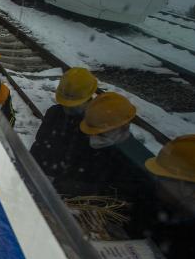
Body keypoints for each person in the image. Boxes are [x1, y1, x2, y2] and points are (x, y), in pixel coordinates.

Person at [54, 92, 155, 221]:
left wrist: (83, 189)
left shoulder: (137, 163)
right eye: (92, 133)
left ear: (123, 128)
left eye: (101, 135)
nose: (94, 139)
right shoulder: (86, 140)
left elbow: (123, 202)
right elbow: (70, 166)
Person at [30, 67, 97, 179]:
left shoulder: (94, 126)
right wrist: (30, 167)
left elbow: (87, 167)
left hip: (66, 185)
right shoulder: (54, 112)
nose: (67, 107)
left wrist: (59, 183)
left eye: (73, 104)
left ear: (88, 98)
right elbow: (39, 143)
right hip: (43, 177)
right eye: (65, 102)